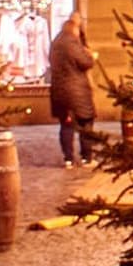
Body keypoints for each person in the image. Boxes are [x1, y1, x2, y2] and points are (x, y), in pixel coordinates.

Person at [44, 14, 100, 164]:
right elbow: (85, 63)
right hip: (77, 92)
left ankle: (68, 158)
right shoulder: (72, 43)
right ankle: (86, 156)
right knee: (85, 123)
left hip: (59, 92)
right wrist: (91, 56)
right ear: (74, 29)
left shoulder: (56, 42)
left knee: (66, 125)